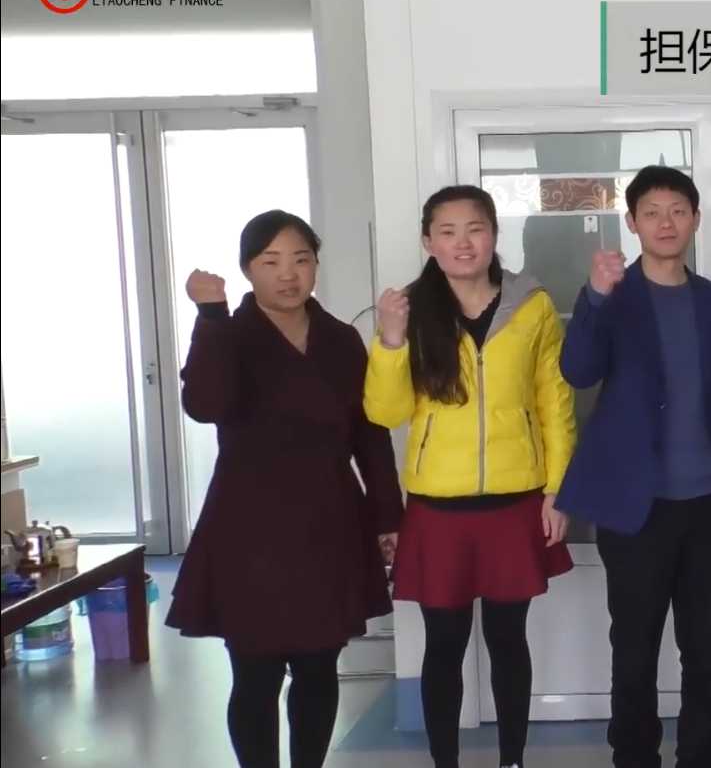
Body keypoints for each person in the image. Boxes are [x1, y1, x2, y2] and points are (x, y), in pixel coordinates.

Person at [166, 210, 403, 768]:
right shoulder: (230, 332)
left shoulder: (340, 339)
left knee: (319, 668)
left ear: (316, 265)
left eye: (301, 259)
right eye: (270, 261)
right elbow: (205, 404)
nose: (288, 274)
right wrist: (209, 314)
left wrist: (387, 517)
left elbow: (369, 435)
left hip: (329, 520)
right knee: (256, 672)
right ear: (248, 269)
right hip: (248, 525)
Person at [554, 165, 711, 768]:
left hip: (710, 504)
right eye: (652, 212)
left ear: (695, 219)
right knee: (635, 646)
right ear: (632, 222)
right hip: (635, 507)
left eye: (677, 211)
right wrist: (595, 297)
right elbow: (578, 371)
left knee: (705, 648)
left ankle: (702, 756)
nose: (666, 223)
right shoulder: (612, 296)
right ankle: (634, 756)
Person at [364, 185, 576, 768]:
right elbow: (384, 413)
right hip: (438, 507)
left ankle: (512, 760)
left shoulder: (532, 305)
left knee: (509, 641)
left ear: (494, 235)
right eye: (448, 231)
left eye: (475, 228)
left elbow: (554, 402)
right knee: (444, 645)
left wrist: (557, 489)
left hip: (516, 500)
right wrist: (389, 340)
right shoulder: (410, 310)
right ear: (428, 241)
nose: (463, 243)